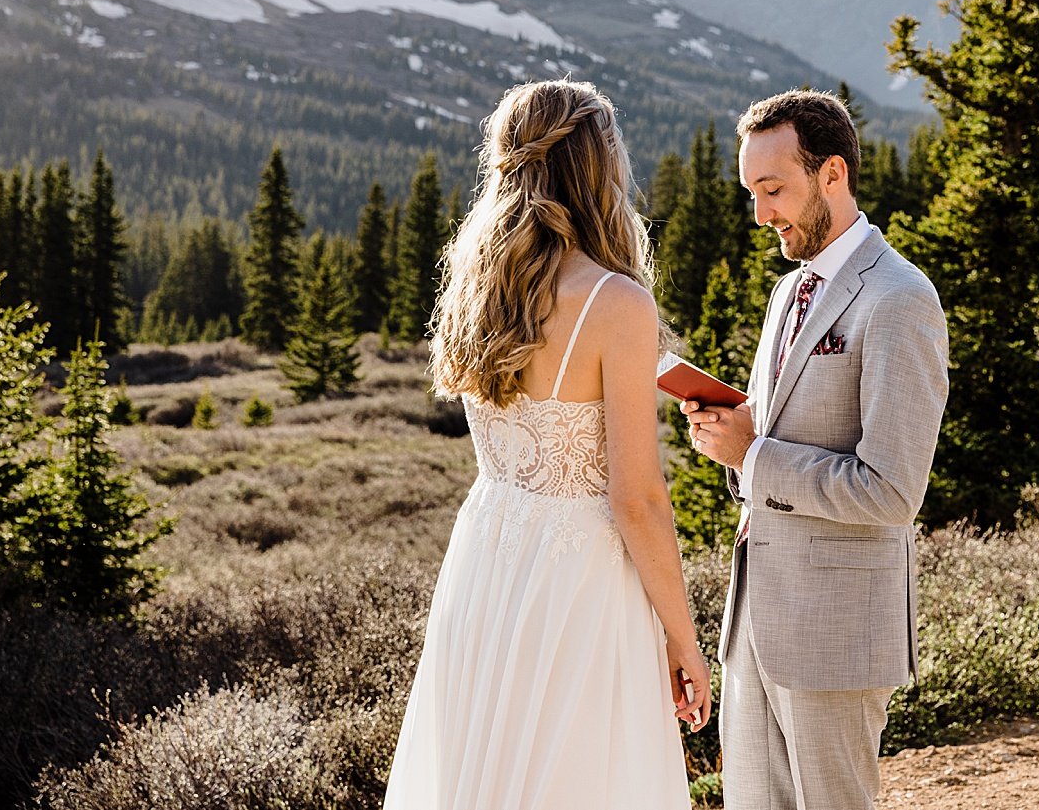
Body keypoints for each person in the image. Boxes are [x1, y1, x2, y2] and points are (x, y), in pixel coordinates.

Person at [384, 78, 707, 810]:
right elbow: (638, 496)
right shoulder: (615, 301)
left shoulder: (476, 284)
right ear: (596, 165)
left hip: (488, 556)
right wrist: (682, 636)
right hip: (579, 580)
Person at [685, 89, 949, 810]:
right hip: (754, 624)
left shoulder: (899, 298)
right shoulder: (785, 294)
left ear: (833, 174)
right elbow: (772, 446)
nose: (760, 213)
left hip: (836, 631)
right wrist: (730, 434)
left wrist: (755, 456)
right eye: (752, 192)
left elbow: (891, 490)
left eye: (774, 190)